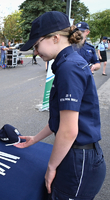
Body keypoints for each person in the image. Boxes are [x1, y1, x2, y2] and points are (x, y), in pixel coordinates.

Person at [18, 11, 106, 200]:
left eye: (37, 44)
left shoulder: (68, 68)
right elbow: (59, 119)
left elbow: (68, 131)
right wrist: (35, 139)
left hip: (79, 158)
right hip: (78, 155)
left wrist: (51, 167)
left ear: (55, 38)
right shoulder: (69, 63)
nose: (35, 51)